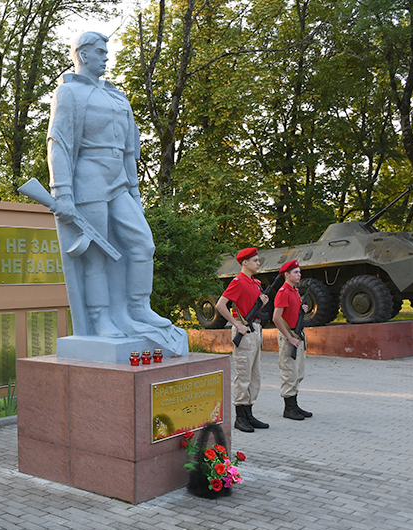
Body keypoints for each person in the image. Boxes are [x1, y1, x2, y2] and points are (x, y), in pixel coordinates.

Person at [46, 31, 187, 355]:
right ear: (82, 55)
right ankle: (101, 319)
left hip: (118, 179)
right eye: (100, 51)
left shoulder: (117, 97)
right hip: (88, 177)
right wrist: (63, 192)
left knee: (142, 243)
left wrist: (135, 194)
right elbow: (59, 143)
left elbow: (128, 152)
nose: (106, 57)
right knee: (96, 255)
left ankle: (138, 308)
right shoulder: (68, 93)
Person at [215, 248, 270, 433]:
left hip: (255, 329)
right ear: (244, 262)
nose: (258, 263)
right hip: (244, 329)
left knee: (255, 376)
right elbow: (221, 305)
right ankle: (240, 417)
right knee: (243, 375)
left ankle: (249, 414)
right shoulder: (238, 282)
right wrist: (236, 325)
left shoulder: (256, 283)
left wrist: (261, 302)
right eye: (255, 260)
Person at [272, 260, 312, 420]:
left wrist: (303, 310)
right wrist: (289, 337)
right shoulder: (283, 291)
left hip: (297, 335)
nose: (299, 275)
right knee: (289, 372)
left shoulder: (295, 291)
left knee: (298, 371)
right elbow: (276, 317)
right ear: (286, 275)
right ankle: (289, 408)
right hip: (289, 336)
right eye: (296, 272)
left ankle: (294, 405)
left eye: (299, 272)